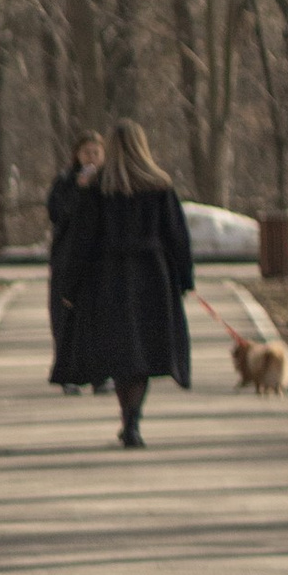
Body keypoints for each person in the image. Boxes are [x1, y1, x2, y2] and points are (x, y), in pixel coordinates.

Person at [59, 114, 192, 447]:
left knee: (122, 352)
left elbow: (82, 239)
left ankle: (127, 419)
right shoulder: (160, 186)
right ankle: (133, 419)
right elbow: (177, 236)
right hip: (152, 276)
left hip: (109, 278)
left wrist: (70, 286)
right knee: (142, 351)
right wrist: (184, 278)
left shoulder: (99, 189)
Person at [45, 128, 102, 387]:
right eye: (86, 152)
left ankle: (100, 373)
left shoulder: (109, 182)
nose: (91, 157)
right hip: (67, 259)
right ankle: (69, 372)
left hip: (99, 259)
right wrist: (78, 190)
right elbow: (57, 214)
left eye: (96, 152)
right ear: (77, 155)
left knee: (99, 318)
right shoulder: (65, 181)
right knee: (66, 316)